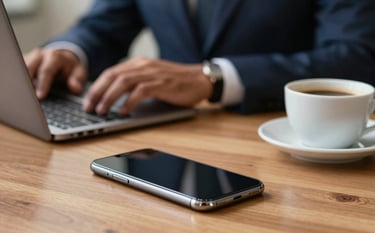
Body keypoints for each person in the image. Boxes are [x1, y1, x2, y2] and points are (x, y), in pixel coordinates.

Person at [24, 0, 375, 115]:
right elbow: (103, 27)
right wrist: (67, 52)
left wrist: (215, 77)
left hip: (281, 144)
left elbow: (356, 55)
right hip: (158, 143)